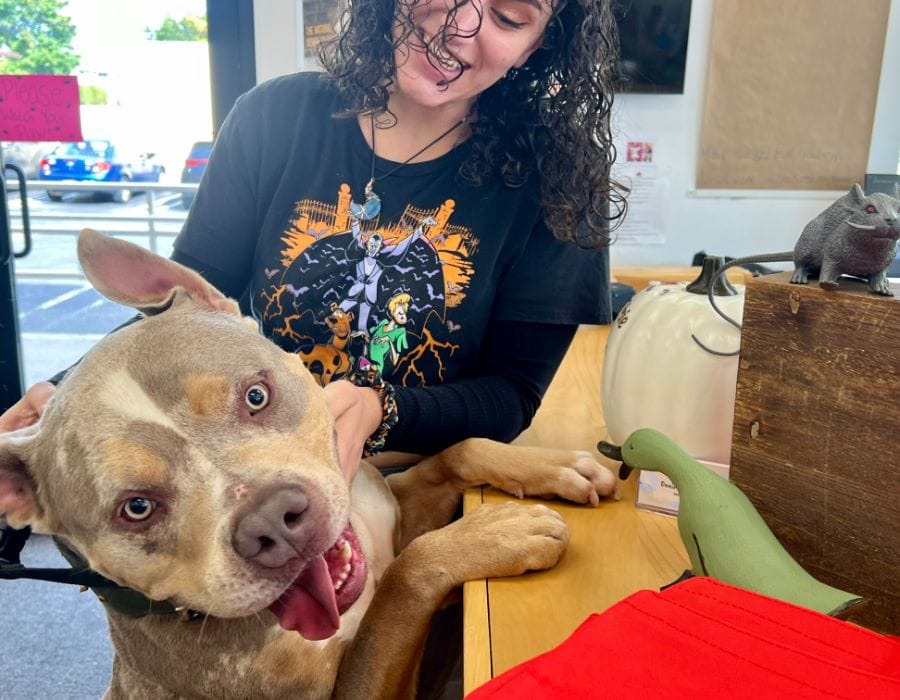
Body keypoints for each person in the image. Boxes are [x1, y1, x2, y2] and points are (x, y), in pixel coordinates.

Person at [0, 0, 626, 484]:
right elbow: (179, 315)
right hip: (238, 474)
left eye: (508, 16)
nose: (459, 26)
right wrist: (69, 388)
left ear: (537, 44)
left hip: (416, 491)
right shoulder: (274, 118)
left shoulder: (557, 180)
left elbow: (511, 396)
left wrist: (384, 408)